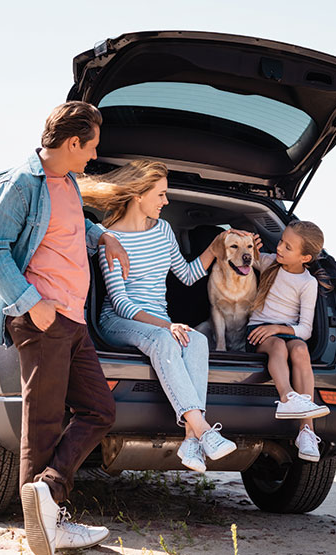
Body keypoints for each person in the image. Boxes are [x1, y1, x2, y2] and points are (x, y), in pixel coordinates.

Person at [0, 101, 129, 555]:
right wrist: (31, 303)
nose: (93, 156)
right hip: (44, 319)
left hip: (74, 318)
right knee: (43, 423)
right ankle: (44, 528)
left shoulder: (67, 182)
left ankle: (47, 494)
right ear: (72, 143)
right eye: (91, 147)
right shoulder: (23, 183)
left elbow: (66, 227)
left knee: (99, 410)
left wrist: (101, 234)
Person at [78, 160, 251, 473]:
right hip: (120, 321)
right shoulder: (109, 239)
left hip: (159, 319)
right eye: (160, 195)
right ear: (138, 196)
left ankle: (190, 440)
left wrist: (214, 249)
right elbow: (119, 302)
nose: (166, 201)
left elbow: (186, 275)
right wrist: (167, 325)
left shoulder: (163, 230)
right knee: (164, 340)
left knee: (197, 340)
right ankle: (203, 431)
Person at [246, 220, 331, 463]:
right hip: (259, 331)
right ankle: (286, 398)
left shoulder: (308, 283)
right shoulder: (270, 262)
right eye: (281, 241)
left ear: (305, 258)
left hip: (285, 331)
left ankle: (306, 432)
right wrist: (252, 248)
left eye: (288, 247)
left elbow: (305, 329)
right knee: (277, 346)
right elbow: (247, 259)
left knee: (301, 349)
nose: (280, 248)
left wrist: (279, 327)